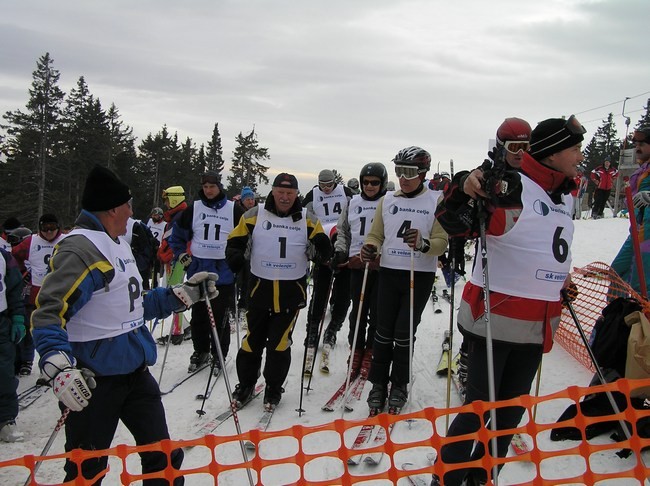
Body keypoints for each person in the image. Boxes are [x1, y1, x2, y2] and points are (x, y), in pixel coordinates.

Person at [31, 164, 219, 484]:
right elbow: (49, 312)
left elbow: (130, 303)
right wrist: (59, 367)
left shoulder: (116, 242)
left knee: (163, 457)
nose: (133, 212)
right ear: (114, 208)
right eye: (129, 205)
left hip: (135, 372)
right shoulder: (82, 248)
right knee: (87, 469)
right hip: (94, 380)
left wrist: (180, 296)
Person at [433, 116, 585, 485]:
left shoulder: (564, 195)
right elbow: (456, 222)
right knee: (479, 411)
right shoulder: (515, 187)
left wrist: (558, 280)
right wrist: (464, 186)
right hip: (496, 318)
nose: (581, 154)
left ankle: (483, 477)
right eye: (574, 148)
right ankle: (448, 476)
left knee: (510, 415)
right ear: (551, 153)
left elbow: (545, 248)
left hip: (538, 324)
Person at [226, 173, 332, 408]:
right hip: (258, 289)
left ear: (296, 194)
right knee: (252, 339)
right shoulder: (255, 214)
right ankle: (246, 384)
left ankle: (273, 388)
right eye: (281, 192)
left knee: (279, 343)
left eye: (290, 193)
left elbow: (321, 244)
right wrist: (234, 253)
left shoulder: (307, 218)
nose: (285, 197)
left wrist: (325, 251)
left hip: (290, 291)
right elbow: (236, 239)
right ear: (273, 191)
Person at [361, 146, 448, 413]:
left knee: (403, 334)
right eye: (399, 171)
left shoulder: (435, 200)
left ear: (423, 173)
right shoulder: (387, 200)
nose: (403, 177)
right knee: (382, 332)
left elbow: (441, 243)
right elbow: (376, 235)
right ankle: (378, 384)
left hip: (417, 276)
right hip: (389, 273)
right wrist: (370, 247)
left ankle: (399, 384)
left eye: (409, 172)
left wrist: (423, 245)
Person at [169, 171, 243, 373]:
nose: (208, 190)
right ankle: (200, 350)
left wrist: (239, 259)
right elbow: (177, 236)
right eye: (205, 187)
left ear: (219, 186)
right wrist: (181, 254)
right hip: (198, 268)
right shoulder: (194, 208)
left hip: (223, 270)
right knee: (199, 314)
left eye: (212, 186)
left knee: (220, 315)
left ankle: (219, 354)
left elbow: (245, 237)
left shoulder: (233, 209)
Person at [332, 163, 388, 374]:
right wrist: (340, 251)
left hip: (379, 266)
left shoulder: (388, 201)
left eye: (374, 182)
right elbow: (343, 231)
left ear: (382, 183)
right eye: (366, 182)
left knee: (376, 311)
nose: (369, 186)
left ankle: (371, 350)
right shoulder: (352, 202)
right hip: (356, 264)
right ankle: (356, 348)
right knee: (358, 310)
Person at [301, 170, 354, 362]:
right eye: (323, 185)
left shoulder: (346, 192)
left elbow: (356, 212)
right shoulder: (312, 195)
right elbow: (303, 217)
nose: (326, 188)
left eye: (329, 184)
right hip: (323, 249)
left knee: (343, 295)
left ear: (335, 182)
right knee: (320, 293)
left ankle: (332, 329)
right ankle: (312, 332)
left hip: (343, 247)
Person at [11, 213, 63, 376]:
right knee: (30, 328)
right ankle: (26, 360)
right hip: (35, 291)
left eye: (52, 228)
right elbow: (13, 256)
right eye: (44, 228)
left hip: (59, 292)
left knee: (56, 328)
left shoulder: (66, 240)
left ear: (58, 227)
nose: (48, 232)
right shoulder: (31, 241)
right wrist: (22, 272)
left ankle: (56, 362)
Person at [612, 125, 650, 298]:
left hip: (647, 236)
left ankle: (641, 321)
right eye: (636, 143)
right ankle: (617, 316)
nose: (638, 147)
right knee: (617, 272)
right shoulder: (643, 168)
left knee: (641, 285)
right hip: (637, 231)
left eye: (643, 143)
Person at [156, 186, 190, 344]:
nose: (166, 203)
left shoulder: (180, 216)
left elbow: (177, 241)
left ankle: (177, 332)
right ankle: (185, 327)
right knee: (173, 291)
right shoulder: (173, 217)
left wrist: (167, 254)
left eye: (167, 200)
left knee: (175, 292)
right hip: (171, 260)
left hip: (177, 260)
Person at [0, 247, 26, 442]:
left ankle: (6, 420)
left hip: (1, 319)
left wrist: (17, 317)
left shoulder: (3, 256)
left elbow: (15, 287)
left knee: (4, 371)